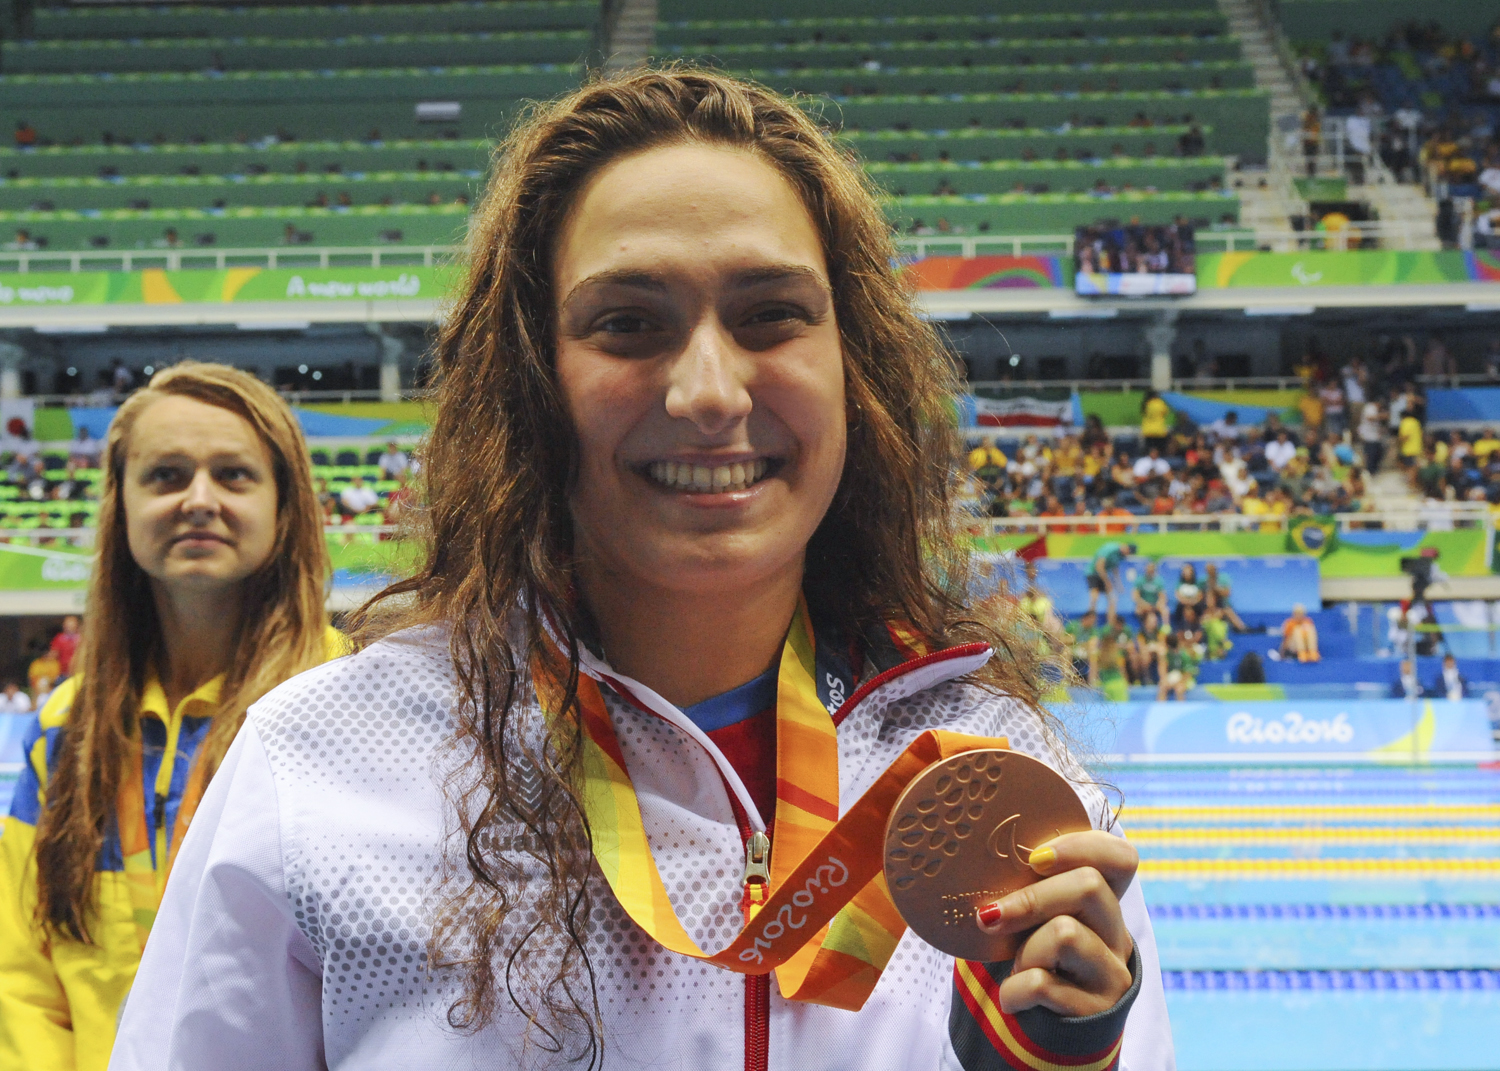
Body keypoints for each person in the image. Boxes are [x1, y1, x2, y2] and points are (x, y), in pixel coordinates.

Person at [112, 72, 1172, 1071]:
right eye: (627, 324)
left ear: (852, 366)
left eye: (771, 314)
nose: (708, 392)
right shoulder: (320, 766)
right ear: (531, 377)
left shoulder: (999, 788)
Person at [0, 363, 346, 1071]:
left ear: (284, 505)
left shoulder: (347, 709)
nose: (199, 499)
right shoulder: (64, 730)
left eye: (234, 475)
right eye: (165, 475)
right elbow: (22, 982)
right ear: (121, 505)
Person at [1087, 539, 1136, 618]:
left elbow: (1115, 569)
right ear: (1126, 547)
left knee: (1113, 599)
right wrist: (1107, 582)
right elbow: (1099, 566)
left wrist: (1119, 585)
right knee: (1094, 597)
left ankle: (1110, 622)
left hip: (1104, 574)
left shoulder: (1121, 556)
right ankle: (1090, 620)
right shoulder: (1110, 549)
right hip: (1093, 573)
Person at [48, 613, 81, 680]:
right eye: (68, 625)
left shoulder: (81, 639)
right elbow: (54, 654)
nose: (70, 627)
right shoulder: (59, 638)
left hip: (78, 671)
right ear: (64, 626)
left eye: (72, 624)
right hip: (63, 673)